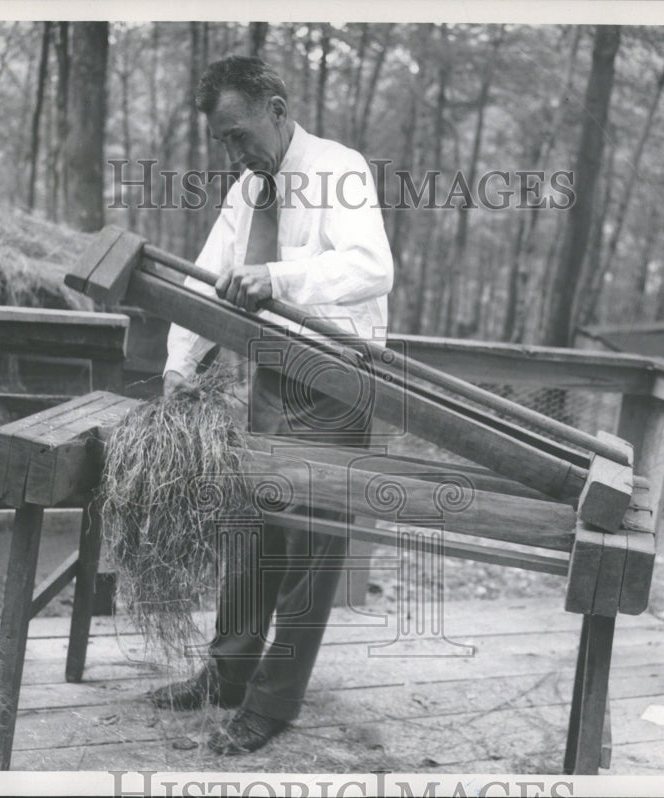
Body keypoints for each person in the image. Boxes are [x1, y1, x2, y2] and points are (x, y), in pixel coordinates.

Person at [152, 55, 394, 755]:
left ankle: (272, 705)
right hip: (271, 378)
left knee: (311, 550)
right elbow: (205, 280)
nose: (233, 151)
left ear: (277, 109)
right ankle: (227, 676)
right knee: (251, 532)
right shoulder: (246, 190)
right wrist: (179, 364)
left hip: (337, 379)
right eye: (222, 142)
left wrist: (276, 278)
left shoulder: (339, 170)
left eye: (237, 133)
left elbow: (371, 266)